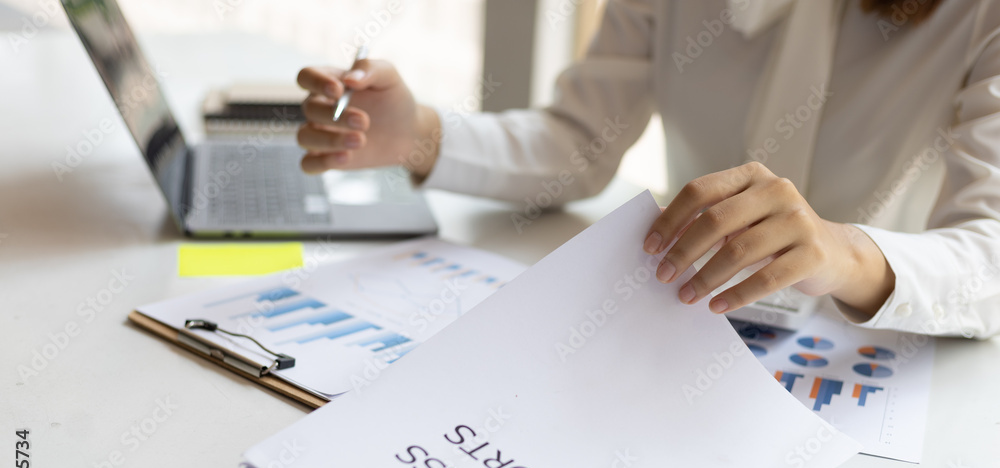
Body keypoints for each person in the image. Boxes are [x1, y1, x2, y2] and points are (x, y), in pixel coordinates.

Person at [294, 0, 1000, 339]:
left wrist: (847, 254)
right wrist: (419, 136)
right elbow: (577, 142)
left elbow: (990, 255)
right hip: (678, 324)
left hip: (888, 358)